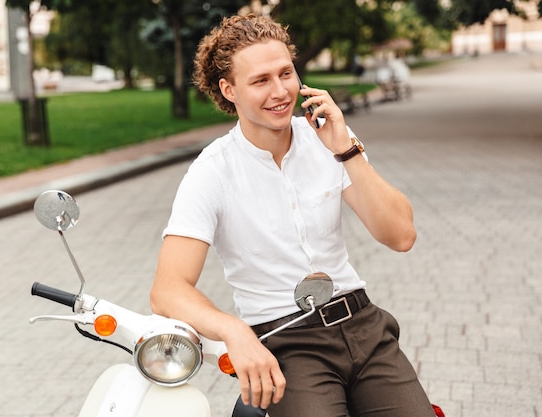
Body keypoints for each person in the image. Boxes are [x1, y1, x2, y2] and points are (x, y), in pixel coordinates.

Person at [150, 14, 435, 417]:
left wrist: (346, 150)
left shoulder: (327, 138)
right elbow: (167, 290)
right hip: (288, 342)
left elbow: (400, 235)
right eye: (261, 80)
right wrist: (235, 331)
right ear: (228, 90)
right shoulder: (212, 171)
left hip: (363, 325)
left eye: (286, 73)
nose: (281, 91)